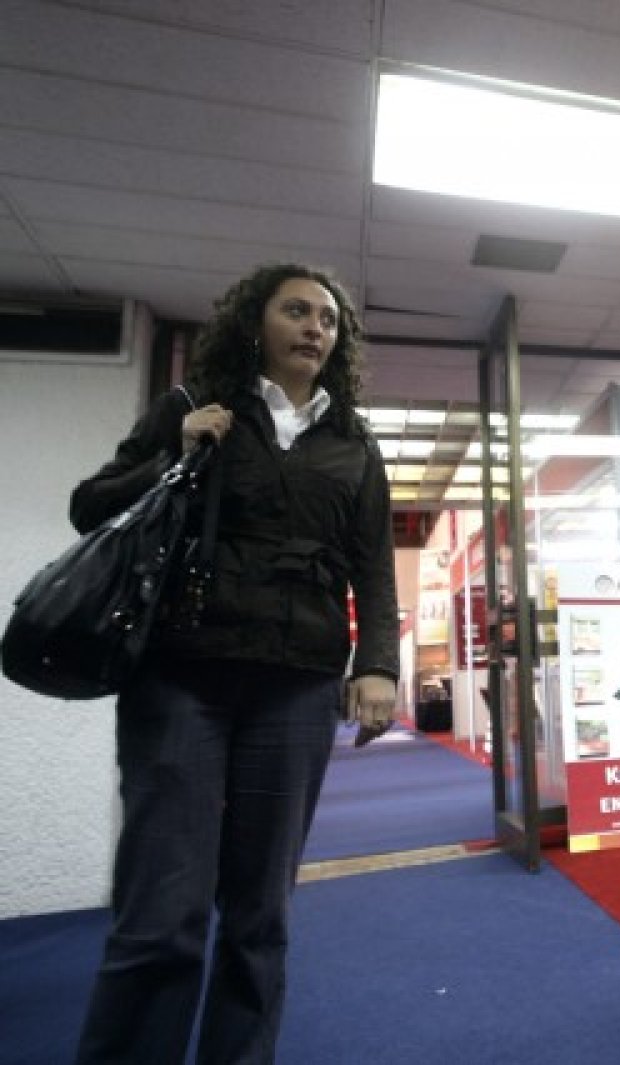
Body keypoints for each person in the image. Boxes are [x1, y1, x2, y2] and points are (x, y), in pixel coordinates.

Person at [70, 263, 400, 1062]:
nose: (315, 327)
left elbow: (373, 564)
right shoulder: (191, 406)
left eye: (328, 318)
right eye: (297, 310)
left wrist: (378, 663)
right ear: (256, 321)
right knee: (163, 915)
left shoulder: (355, 443)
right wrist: (174, 455)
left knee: (261, 917)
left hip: (297, 686)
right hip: (182, 677)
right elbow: (91, 507)